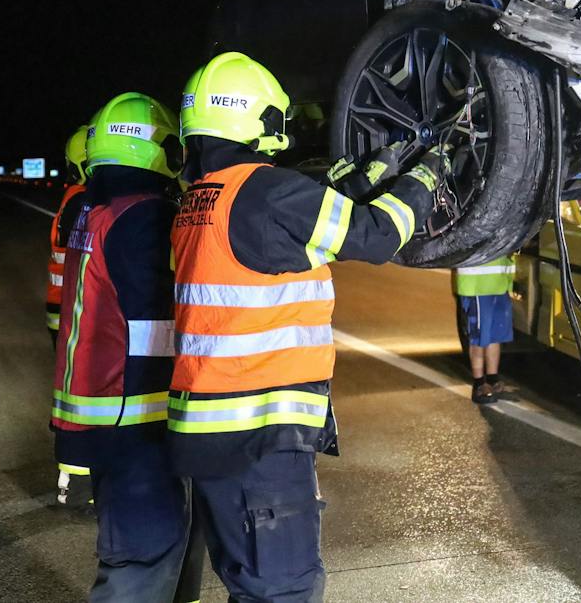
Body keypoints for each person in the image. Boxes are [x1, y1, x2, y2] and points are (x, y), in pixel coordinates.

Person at [168, 50, 449, 603]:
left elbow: (284, 238)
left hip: (209, 438)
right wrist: (422, 180)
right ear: (262, 120)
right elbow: (371, 237)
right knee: (282, 592)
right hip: (259, 443)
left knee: (248, 585)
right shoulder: (268, 191)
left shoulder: (198, 202)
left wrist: (349, 184)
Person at [52, 93, 198, 602]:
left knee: (149, 550)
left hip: (103, 413)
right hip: (133, 416)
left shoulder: (93, 209)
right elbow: (164, 317)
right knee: (144, 556)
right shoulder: (143, 217)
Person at [51, 122, 95, 509]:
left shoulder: (75, 200)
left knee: (76, 395)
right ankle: (79, 484)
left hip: (66, 313)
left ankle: (72, 481)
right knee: (87, 396)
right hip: (81, 314)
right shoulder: (88, 203)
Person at [454, 258, 516, 404]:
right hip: (477, 285)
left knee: (495, 336)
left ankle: (493, 378)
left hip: (499, 283)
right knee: (479, 337)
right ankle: (479, 383)